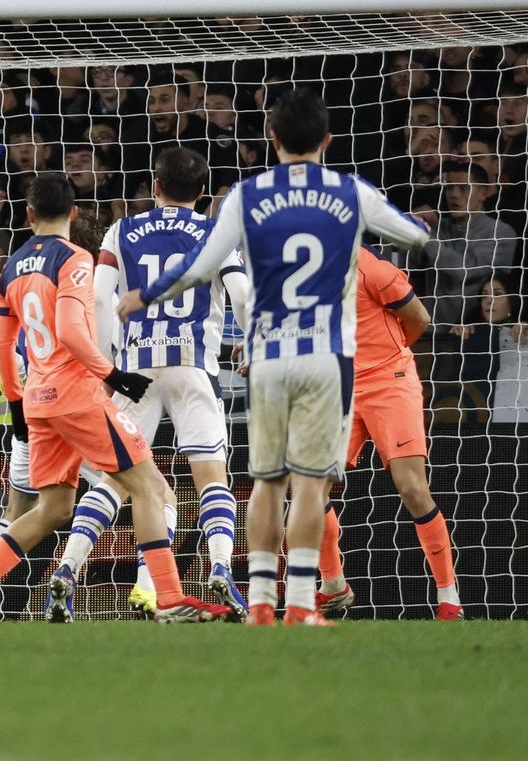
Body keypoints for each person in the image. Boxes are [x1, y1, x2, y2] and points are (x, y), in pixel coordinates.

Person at [120, 90, 432, 625]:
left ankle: (263, 602)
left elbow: (201, 266)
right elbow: (415, 237)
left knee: (268, 482)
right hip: (324, 357)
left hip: (270, 353)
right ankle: (301, 605)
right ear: (326, 140)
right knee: (310, 484)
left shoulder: (247, 195)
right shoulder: (348, 192)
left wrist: (143, 295)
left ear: (273, 139)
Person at [0, 172, 233, 624]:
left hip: (37, 400)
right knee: (148, 487)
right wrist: (113, 375)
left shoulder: (10, 268)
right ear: (74, 212)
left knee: (54, 508)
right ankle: (170, 598)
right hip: (77, 395)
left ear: (29, 215)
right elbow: (72, 329)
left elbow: (0, 347)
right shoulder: (75, 258)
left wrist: (16, 405)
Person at [54, 148, 252, 620]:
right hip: (192, 366)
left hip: (135, 370)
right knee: (211, 477)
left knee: (116, 480)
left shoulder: (120, 230)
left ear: (156, 186)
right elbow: (242, 294)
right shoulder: (216, 233)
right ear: (202, 193)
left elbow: (99, 298)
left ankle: (67, 568)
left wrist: (106, 366)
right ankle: (221, 567)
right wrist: (253, 339)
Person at [316, 246, 463, 620]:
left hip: (390, 381)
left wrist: (387, 358)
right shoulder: (306, 270)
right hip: (340, 387)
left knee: (412, 488)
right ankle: (334, 585)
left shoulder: (373, 270)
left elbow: (419, 319)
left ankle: (449, 598)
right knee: (309, 486)